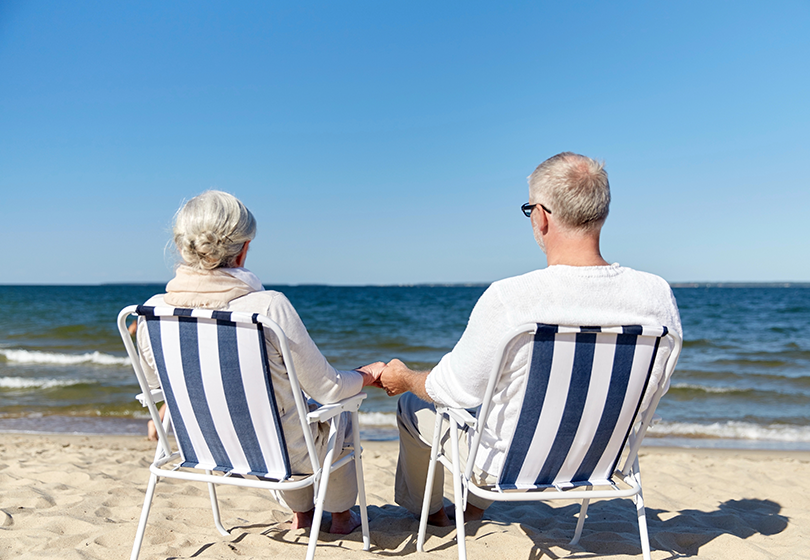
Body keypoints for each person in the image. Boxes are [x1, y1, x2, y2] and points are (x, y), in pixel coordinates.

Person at [378, 152, 682, 526]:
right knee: (504, 402)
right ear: (601, 212)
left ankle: (433, 514)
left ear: (540, 216)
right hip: (604, 461)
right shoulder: (655, 295)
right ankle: (472, 509)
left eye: (529, 210)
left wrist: (405, 377)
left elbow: (453, 391)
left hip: (506, 468)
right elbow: (655, 388)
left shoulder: (512, 298)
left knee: (415, 406)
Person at [135, 190, 384, 534]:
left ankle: (303, 515)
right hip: (280, 456)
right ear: (243, 249)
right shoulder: (267, 308)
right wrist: (368, 374)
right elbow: (329, 388)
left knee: (284, 414)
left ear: (182, 247)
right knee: (342, 410)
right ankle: (342, 517)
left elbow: (156, 389)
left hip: (204, 448)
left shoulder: (151, 314)